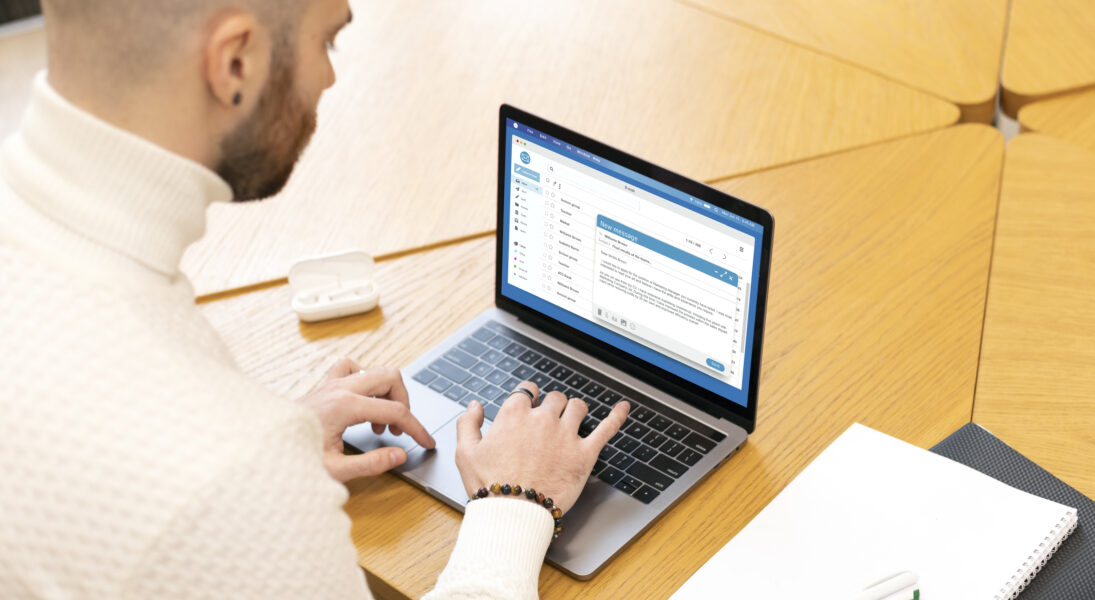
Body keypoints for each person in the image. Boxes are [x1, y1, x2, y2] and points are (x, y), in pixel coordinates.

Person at [0, 0, 629, 598]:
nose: (329, 75)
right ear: (235, 63)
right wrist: (516, 504)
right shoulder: (229, 478)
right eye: (326, 39)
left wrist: (279, 440)